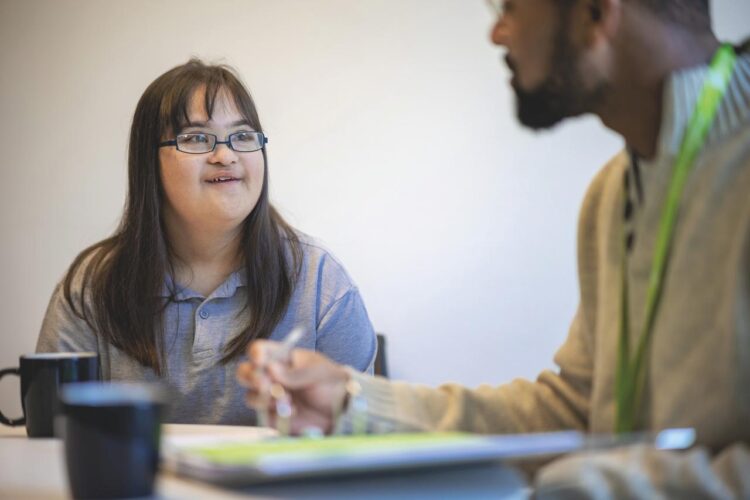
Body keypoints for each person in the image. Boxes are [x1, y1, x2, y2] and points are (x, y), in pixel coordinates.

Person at [237, 0, 750, 496]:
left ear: (595, 13)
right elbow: (576, 413)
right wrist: (354, 404)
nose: (498, 33)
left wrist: (593, 486)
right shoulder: (613, 192)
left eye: (508, 7)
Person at [37, 59, 377, 425]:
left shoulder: (320, 282)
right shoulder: (91, 286)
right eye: (197, 138)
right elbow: (54, 435)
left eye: (242, 136)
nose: (226, 155)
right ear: (148, 162)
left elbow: (365, 432)